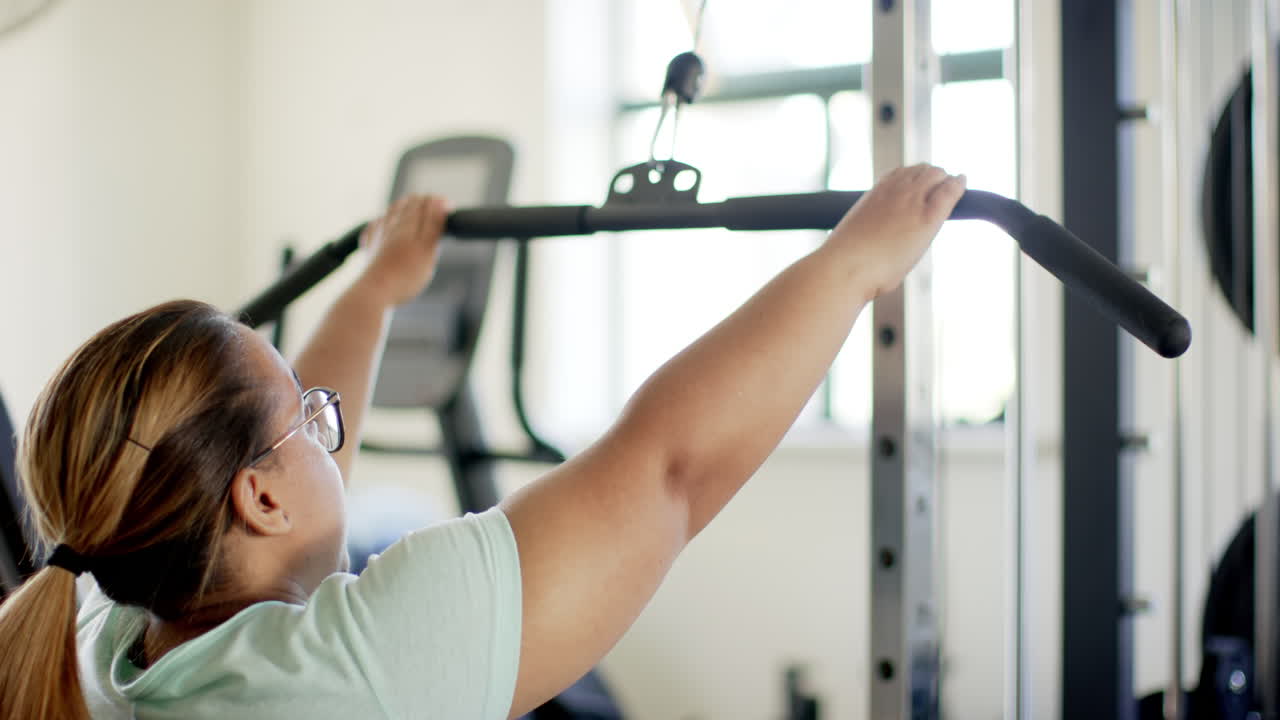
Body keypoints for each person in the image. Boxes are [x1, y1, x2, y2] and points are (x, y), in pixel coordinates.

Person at [0, 164, 965, 720]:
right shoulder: (356, 667)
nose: (328, 421)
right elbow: (670, 468)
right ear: (256, 497)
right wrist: (852, 266)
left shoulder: (99, 630)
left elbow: (297, 473)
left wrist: (377, 289)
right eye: (307, 407)